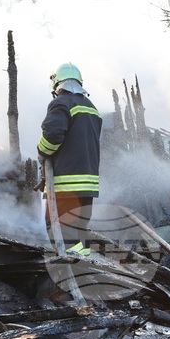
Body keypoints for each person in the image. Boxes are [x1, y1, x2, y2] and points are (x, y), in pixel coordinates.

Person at [37, 62, 103, 256]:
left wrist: (42, 151)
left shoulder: (61, 103)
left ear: (58, 84)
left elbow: (53, 134)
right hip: (88, 184)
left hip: (66, 184)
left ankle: (71, 268)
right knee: (79, 231)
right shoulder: (91, 107)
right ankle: (85, 269)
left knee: (60, 230)